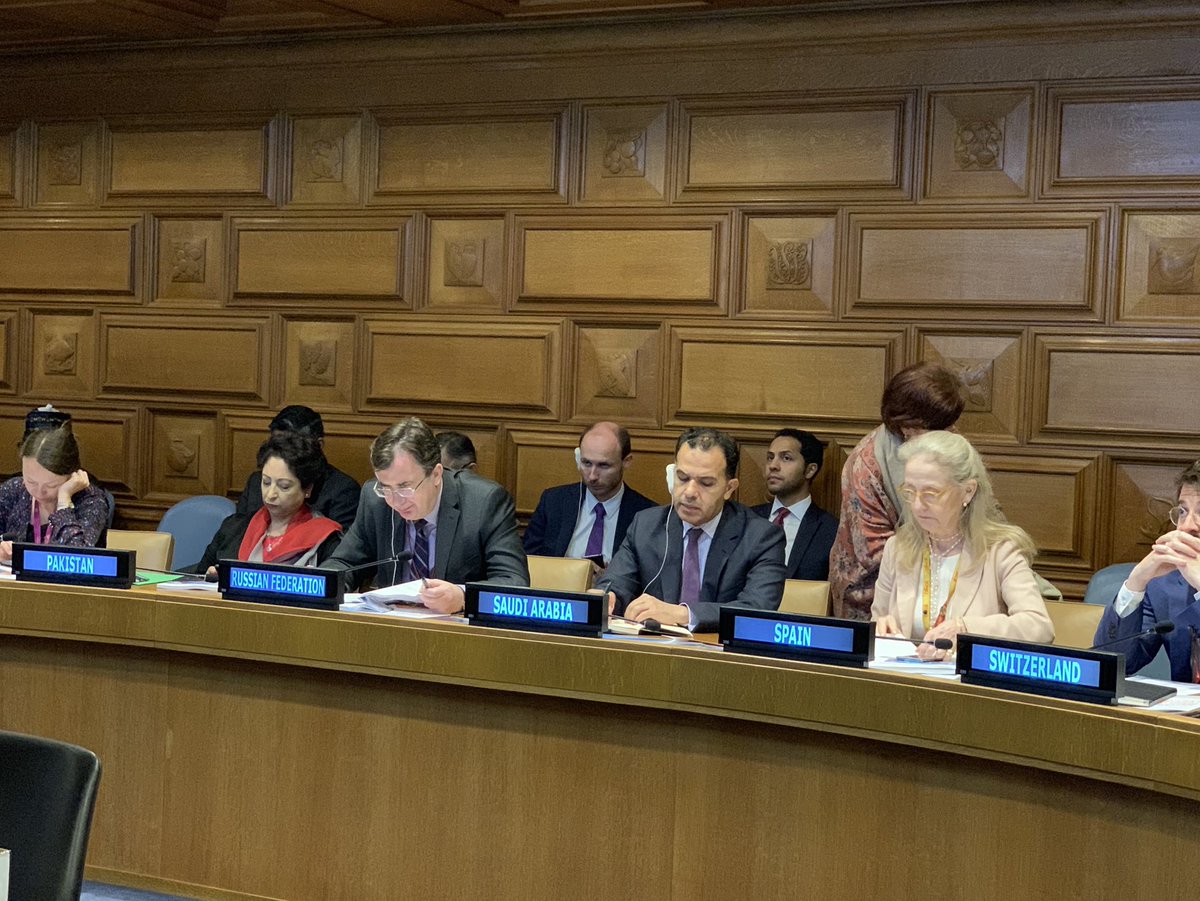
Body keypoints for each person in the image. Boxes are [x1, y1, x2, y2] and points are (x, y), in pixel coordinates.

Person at [872, 431, 1053, 658]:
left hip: (968, 679)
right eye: (910, 491)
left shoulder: (1000, 551)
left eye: (930, 493)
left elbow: (1039, 627)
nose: (917, 505)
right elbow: (877, 623)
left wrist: (966, 628)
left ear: (968, 491)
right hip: (903, 676)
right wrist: (881, 628)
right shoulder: (897, 548)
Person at [325, 416, 528, 613]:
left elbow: (513, 581)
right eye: (386, 487)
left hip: (456, 630)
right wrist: (322, 585)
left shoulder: (484, 502)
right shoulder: (375, 500)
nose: (395, 501)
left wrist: (463, 597)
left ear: (436, 474)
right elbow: (344, 564)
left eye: (405, 487)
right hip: (392, 626)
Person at [595, 427, 785, 632]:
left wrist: (684, 614)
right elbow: (617, 582)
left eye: (706, 483)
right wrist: (608, 596)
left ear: (729, 488)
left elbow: (757, 608)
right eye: (683, 478)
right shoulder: (646, 525)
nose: (690, 492)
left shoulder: (761, 538)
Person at [829, 362, 965, 620]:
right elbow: (875, 552)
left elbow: (980, 507)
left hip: (946, 580)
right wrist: (951, 560)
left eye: (947, 428)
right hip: (874, 596)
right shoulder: (866, 465)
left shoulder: (942, 433)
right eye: (936, 429)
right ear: (907, 424)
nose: (947, 434)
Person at [1094, 461, 1200, 682]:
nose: (1187, 526)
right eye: (1183, 512)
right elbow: (1112, 665)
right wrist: (1136, 583)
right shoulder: (1166, 583)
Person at [188, 434, 343, 576]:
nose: (270, 494)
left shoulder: (327, 539)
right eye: (266, 482)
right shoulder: (233, 528)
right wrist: (210, 579)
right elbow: (197, 579)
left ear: (307, 489)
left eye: (284, 486)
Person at [523, 421, 656, 566]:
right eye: (586, 463)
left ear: (626, 461)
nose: (592, 476)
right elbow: (526, 562)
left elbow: (649, 573)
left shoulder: (647, 515)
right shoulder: (553, 502)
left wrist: (612, 576)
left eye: (603, 465)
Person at [235, 405, 360, 530]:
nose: (284, 454)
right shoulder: (256, 481)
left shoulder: (343, 491)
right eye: (277, 445)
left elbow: (342, 540)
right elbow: (237, 532)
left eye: (294, 446)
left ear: (319, 445)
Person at [0, 425, 109, 563]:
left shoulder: (91, 501)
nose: (39, 492)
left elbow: (75, 558)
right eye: (31, 481)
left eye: (51, 485)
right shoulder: (14, 489)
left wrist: (64, 502)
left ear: (72, 476)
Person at [750, 428, 838, 581]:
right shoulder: (745, 519)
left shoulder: (832, 531)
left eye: (786, 458)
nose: (773, 466)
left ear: (810, 470)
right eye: (770, 457)